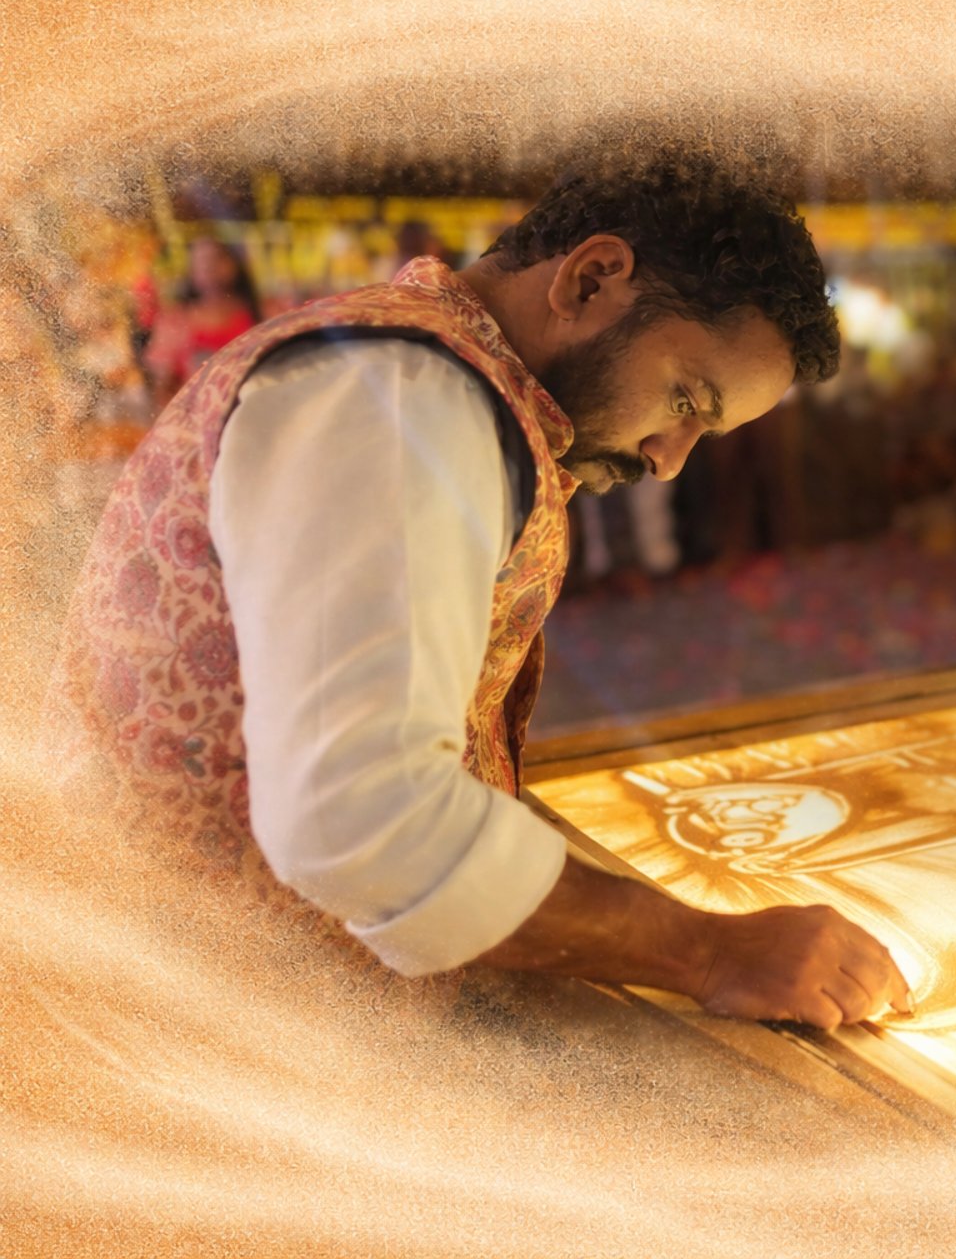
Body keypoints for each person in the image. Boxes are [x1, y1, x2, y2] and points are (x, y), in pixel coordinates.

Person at [50, 158, 910, 1031]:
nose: (667, 458)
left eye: (701, 431)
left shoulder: (423, 382)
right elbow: (358, 816)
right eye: (683, 398)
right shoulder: (399, 399)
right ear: (591, 279)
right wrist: (711, 951)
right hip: (187, 1024)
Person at [141, 236, 262, 403]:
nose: (209, 268)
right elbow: (162, 387)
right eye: (202, 262)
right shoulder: (175, 321)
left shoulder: (262, 312)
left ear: (235, 264)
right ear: (191, 271)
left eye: (217, 259)